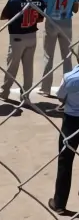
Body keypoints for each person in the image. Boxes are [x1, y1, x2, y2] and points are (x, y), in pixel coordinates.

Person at [0, 0, 46, 102]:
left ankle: (4, 92)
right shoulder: (38, 0)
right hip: (32, 36)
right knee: (28, 68)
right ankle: (26, 95)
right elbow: (40, 19)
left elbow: (3, 16)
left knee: (12, 66)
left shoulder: (15, 0)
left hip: (17, 37)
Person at [38, 0, 79, 97]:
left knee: (48, 56)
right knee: (67, 56)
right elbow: (75, 8)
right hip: (66, 22)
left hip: (51, 22)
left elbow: (41, 7)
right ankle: (67, 88)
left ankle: (45, 88)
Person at [48, 64, 79, 215]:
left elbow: (61, 96)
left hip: (71, 122)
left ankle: (59, 203)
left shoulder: (69, 77)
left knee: (65, 161)